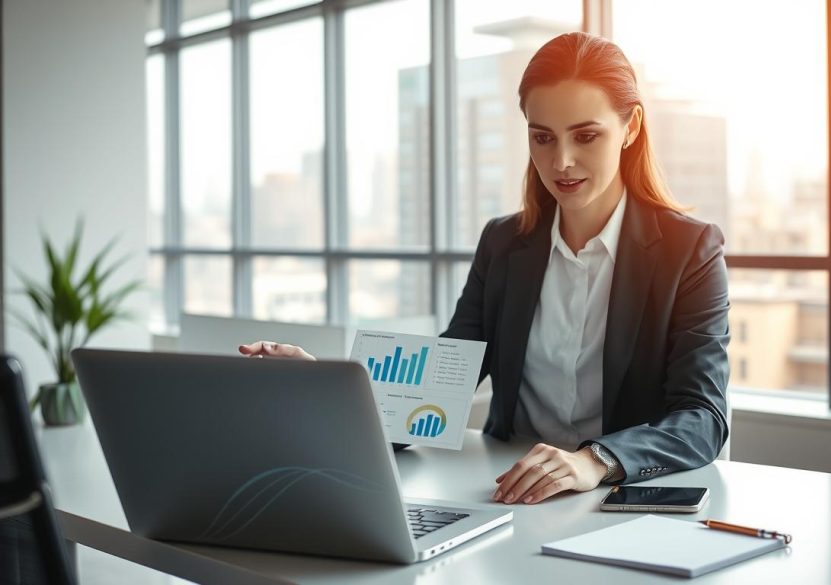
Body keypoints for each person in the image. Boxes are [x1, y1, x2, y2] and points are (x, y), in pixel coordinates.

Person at [240, 32, 730, 506]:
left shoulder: (689, 249)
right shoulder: (504, 243)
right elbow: (445, 376)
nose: (561, 161)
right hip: (507, 492)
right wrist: (332, 389)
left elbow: (703, 418)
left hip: (616, 501)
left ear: (631, 128)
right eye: (542, 137)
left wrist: (595, 460)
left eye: (586, 136)